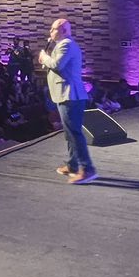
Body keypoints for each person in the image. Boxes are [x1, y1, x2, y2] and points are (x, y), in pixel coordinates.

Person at [38, 16, 96, 184]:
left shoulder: (67, 44)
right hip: (64, 94)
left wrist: (44, 57)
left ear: (63, 30)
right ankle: (72, 165)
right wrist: (46, 58)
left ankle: (87, 169)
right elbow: (52, 65)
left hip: (70, 95)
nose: (50, 32)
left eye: (53, 29)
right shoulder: (60, 45)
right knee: (70, 132)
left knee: (75, 133)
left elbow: (57, 65)